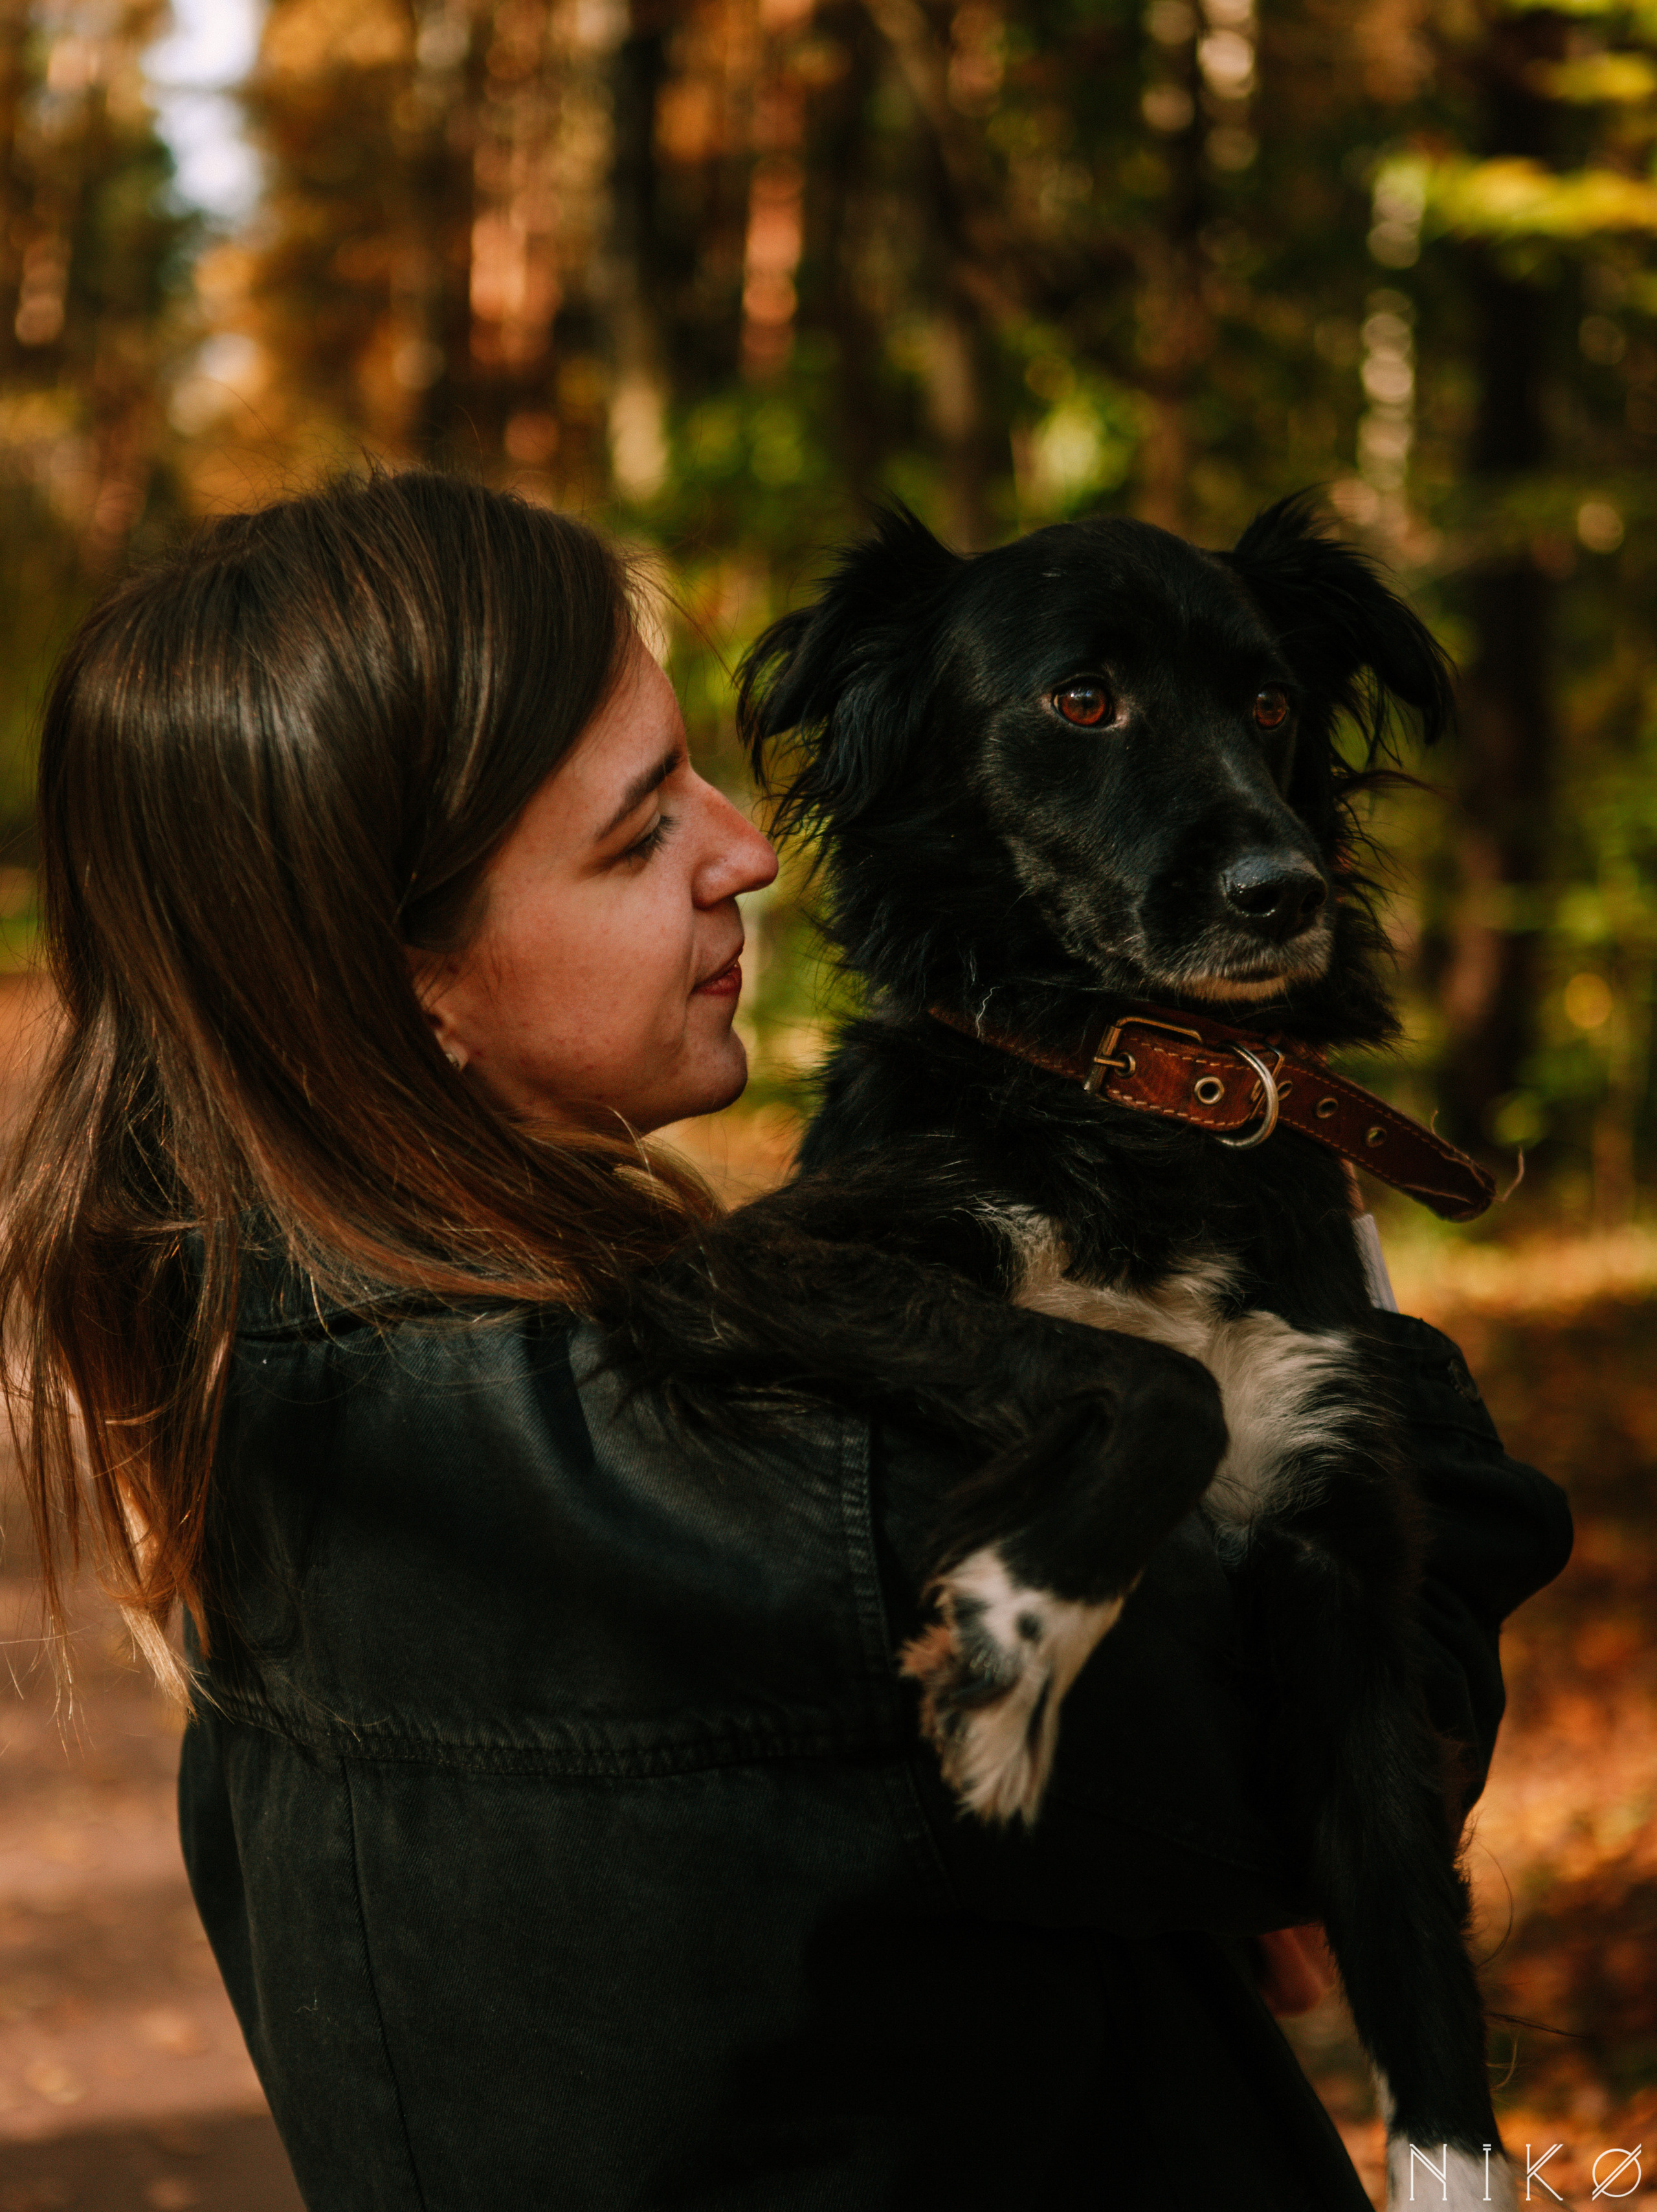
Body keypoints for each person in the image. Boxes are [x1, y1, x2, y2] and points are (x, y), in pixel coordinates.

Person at [2, 472, 1570, 2212]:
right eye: (636, 832)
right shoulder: (767, 1499)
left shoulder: (288, 1390)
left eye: (696, 776)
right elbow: (1354, 1742)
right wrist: (1378, 1357)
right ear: (410, 976)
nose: (747, 849)